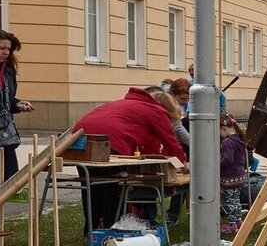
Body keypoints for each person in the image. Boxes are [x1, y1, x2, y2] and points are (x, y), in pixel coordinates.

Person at [72, 87, 189, 231]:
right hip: (109, 143)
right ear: (167, 109)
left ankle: (92, 231)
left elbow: (150, 149)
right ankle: (112, 230)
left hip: (79, 141)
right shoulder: (155, 110)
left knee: (90, 187)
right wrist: (183, 163)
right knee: (113, 188)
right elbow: (170, 141)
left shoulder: (127, 104)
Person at [0, 28, 32, 206]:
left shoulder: (8, 70)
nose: (6, 52)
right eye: (1, 48)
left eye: (8, 49)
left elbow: (6, 100)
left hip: (4, 137)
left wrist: (18, 104)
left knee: (13, 183)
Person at [219, 117, 249, 234]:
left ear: (224, 128)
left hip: (229, 177)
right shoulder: (239, 139)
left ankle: (231, 224)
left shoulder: (227, 142)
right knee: (236, 200)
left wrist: (217, 165)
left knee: (229, 201)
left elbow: (227, 159)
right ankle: (238, 221)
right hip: (239, 175)